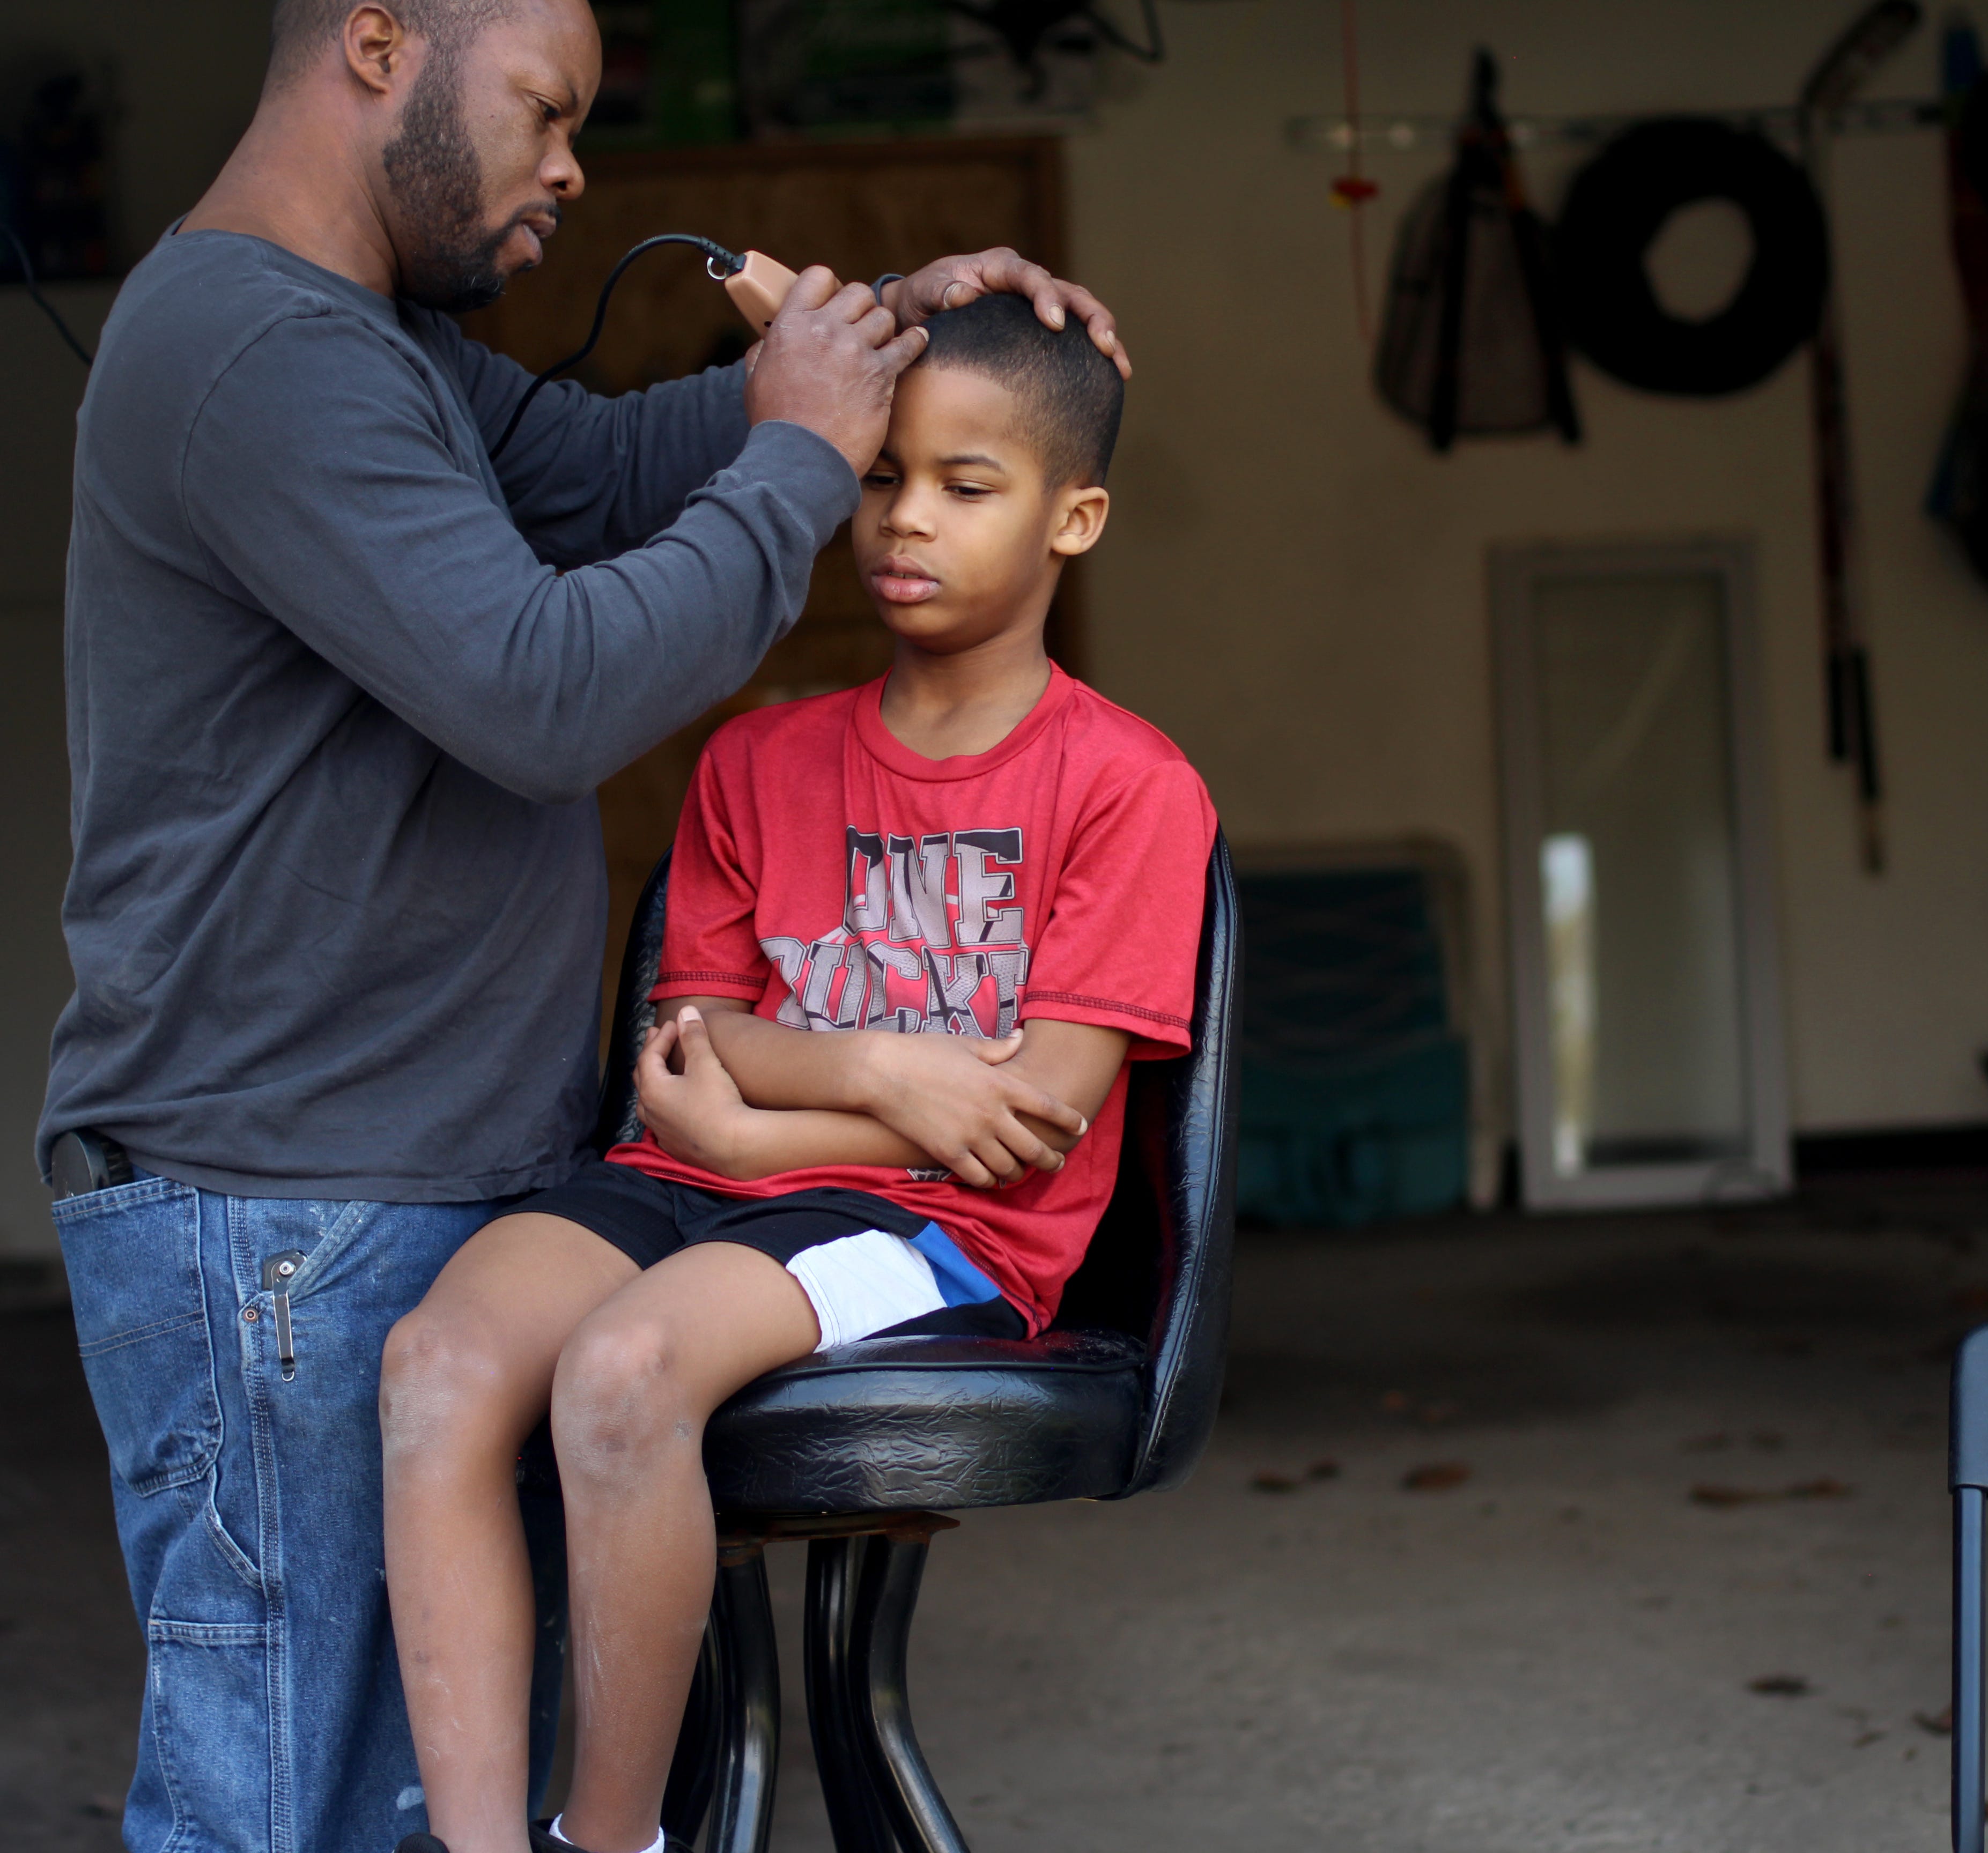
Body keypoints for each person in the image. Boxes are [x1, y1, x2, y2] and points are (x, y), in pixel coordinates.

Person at [40, 0, 1133, 1847]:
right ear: (380, 43)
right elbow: (544, 689)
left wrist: (876, 342)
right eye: (546, 109)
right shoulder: (251, 349)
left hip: (385, 1190)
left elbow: (616, 472)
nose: (571, 166)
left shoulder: (363, 343)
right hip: (284, 1214)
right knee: (277, 1814)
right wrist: (803, 462)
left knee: (389, 1803)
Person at [376, 290, 1215, 1853]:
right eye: (882, 475)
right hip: (690, 1180)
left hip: (939, 1235)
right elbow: (699, 1042)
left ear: (1074, 516)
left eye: (969, 486)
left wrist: (770, 1133)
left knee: (623, 1375)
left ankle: (606, 1844)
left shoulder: (1128, 786)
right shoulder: (757, 759)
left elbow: (1026, 1128)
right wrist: (895, 1071)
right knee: (436, 1368)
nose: (905, 519)